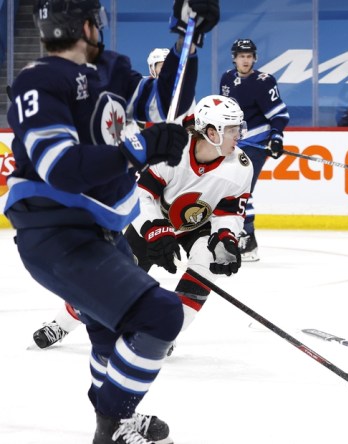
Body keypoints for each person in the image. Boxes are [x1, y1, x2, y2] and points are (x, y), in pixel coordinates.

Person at [4, 1, 219, 443]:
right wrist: (136, 149)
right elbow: (60, 166)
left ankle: (117, 416)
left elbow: (164, 103)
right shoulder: (38, 81)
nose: (99, 29)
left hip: (100, 232)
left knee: (108, 334)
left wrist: (189, 41)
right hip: (56, 231)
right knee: (160, 315)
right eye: (95, 22)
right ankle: (113, 427)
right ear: (84, 25)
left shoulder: (111, 69)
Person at [32, 95, 252, 355]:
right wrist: (156, 230)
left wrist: (226, 237)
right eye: (232, 130)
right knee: (111, 282)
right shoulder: (173, 149)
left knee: (208, 260)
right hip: (152, 219)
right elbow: (141, 193)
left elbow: (229, 212)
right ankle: (62, 323)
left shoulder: (240, 166)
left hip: (197, 227)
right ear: (212, 132)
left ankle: (165, 333)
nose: (238, 135)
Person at [219, 38, 290, 262]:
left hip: (257, 143)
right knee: (225, 187)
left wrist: (276, 138)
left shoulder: (264, 81)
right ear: (235, 58)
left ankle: (248, 241)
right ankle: (229, 234)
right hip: (234, 143)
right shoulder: (227, 79)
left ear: (255, 58)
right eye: (242, 56)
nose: (246, 60)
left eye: (249, 56)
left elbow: (279, 114)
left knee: (243, 189)